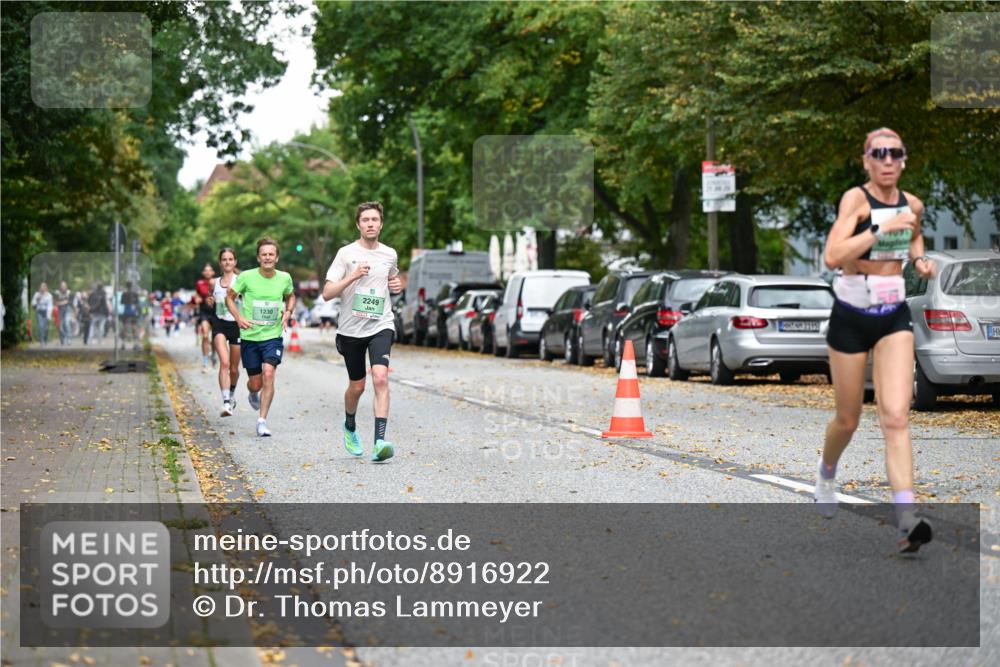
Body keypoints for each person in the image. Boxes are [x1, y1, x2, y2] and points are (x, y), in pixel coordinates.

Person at [819, 127, 936, 554]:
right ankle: (827, 472)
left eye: (895, 153)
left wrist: (920, 260)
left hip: (892, 314)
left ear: (904, 160)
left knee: (895, 416)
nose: (887, 160)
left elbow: (914, 236)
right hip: (851, 314)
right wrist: (878, 230)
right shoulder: (856, 199)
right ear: (866, 160)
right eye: (879, 154)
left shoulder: (913, 204)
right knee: (848, 418)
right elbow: (833, 255)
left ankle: (907, 520)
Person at [323, 201, 402, 462]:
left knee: (380, 378)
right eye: (365, 220)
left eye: (375, 220)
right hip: (350, 330)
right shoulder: (345, 253)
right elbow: (327, 293)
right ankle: (350, 425)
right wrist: (353, 276)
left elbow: (392, 278)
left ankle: (380, 442)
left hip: (381, 325)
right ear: (358, 224)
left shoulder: (390, 254)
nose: (370, 224)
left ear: (381, 224)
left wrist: (396, 284)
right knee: (357, 387)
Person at [227, 237, 295, 437]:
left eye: (271, 254)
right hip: (250, 336)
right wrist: (238, 317)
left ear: (277, 257)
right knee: (255, 383)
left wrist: (288, 312)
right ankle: (252, 392)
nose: (267, 257)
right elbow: (229, 298)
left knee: (269, 373)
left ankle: (262, 421)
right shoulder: (246, 277)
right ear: (258, 258)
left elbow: (290, 295)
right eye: (264, 254)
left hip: (272, 336)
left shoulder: (284, 278)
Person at [208, 247, 242, 416]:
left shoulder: (241, 280)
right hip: (219, 324)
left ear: (235, 262)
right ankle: (226, 401)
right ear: (220, 262)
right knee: (225, 363)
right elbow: (211, 298)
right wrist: (210, 300)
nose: (227, 262)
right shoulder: (213, 282)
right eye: (224, 259)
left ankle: (233, 393)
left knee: (234, 369)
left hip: (237, 326)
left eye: (230, 259)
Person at [195, 264, 216, 371]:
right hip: (204, 313)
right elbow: (197, 295)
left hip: (216, 312)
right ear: (203, 273)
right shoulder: (199, 283)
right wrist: (197, 299)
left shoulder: (217, 282)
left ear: (213, 272)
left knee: (215, 338)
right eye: (205, 270)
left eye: (209, 270)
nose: (207, 272)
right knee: (205, 335)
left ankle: (214, 355)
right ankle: (205, 361)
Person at [121, 281, 141, 349]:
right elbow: (138, 303)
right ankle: (136, 343)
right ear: (132, 286)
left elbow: (122, 302)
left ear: (126, 286)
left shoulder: (124, 293)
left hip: (126, 311)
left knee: (125, 327)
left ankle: (123, 344)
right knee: (134, 327)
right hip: (133, 312)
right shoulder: (135, 293)